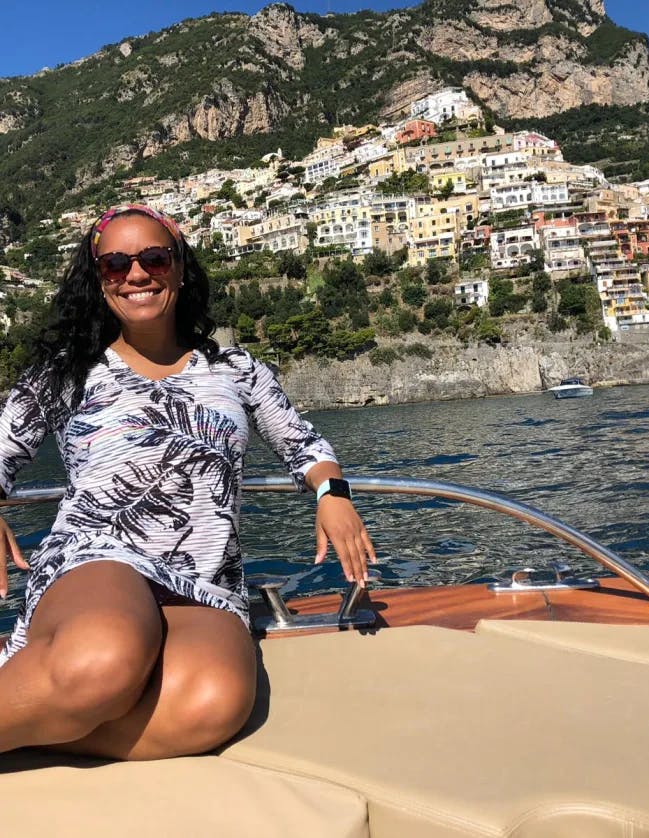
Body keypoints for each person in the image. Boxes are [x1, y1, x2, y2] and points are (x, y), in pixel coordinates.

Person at [0, 204, 375, 761]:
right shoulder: (67, 371)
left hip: (204, 576)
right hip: (101, 554)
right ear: (97, 277)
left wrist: (332, 494)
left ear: (178, 267)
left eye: (154, 257)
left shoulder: (236, 369)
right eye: (115, 264)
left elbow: (305, 445)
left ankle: (48, 719)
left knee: (213, 703)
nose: (136, 274)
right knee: (104, 659)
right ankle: (71, 694)